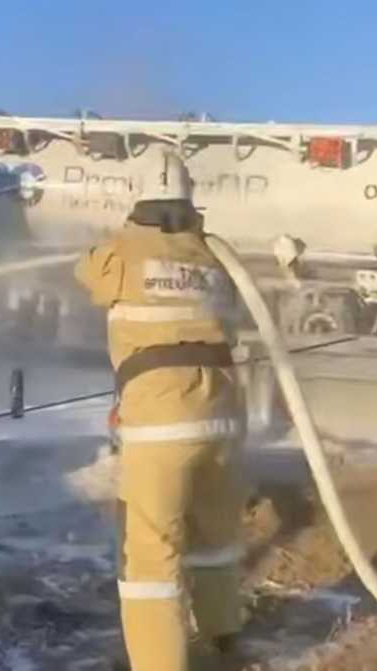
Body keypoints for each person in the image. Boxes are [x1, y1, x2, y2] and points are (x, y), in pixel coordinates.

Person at [75, 149, 248, 670]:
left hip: (160, 422)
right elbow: (234, 316)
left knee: (152, 554)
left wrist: (125, 229)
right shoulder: (214, 256)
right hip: (223, 414)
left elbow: (86, 273)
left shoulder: (121, 252)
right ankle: (223, 633)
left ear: (138, 200)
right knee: (215, 532)